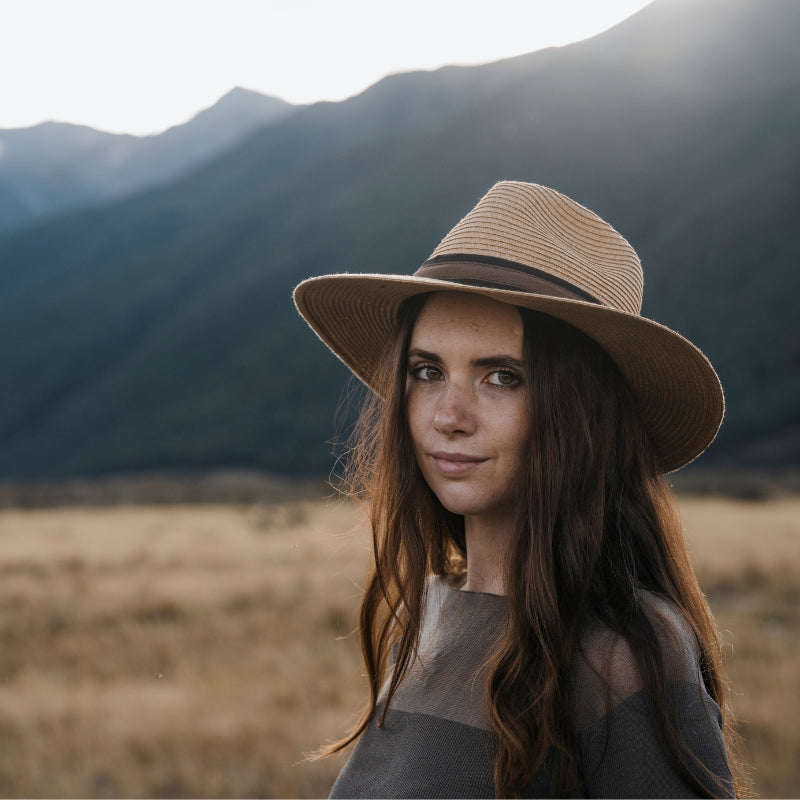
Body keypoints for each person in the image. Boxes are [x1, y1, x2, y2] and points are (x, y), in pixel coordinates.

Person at [293, 181, 746, 798]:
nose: (447, 414)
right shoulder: (421, 616)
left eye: (501, 377)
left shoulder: (620, 652)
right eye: (427, 372)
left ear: (581, 414)